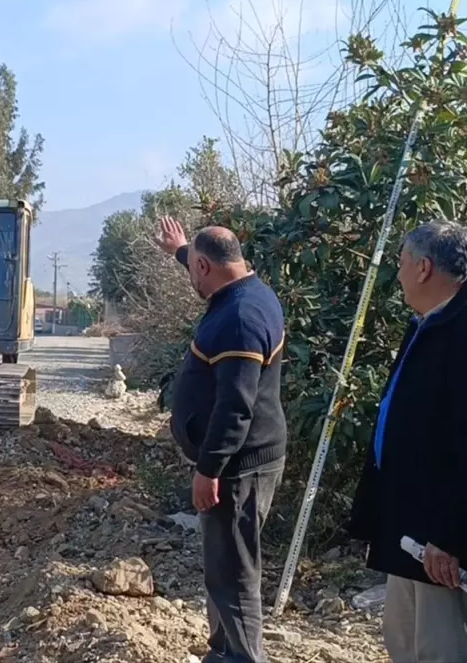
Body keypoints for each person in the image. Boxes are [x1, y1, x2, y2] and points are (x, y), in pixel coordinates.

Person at [347, 219, 467, 662]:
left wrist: (448, 535)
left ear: (423, 268)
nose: (396, 274)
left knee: (443, 648)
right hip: (412, 527)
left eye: (401, 263)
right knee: (406, 642)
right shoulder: (429, 324)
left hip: (444, 536)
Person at [155, 217, 288, 663]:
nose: (190, 273)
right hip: (242, 462)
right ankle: (224, 652)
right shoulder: (243, 290)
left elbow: (235, 406)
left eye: (192, 266)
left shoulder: (241, 319)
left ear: (206, 267)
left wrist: (208, 469)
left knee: (233, 575)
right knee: (223, 568)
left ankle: (242, 657)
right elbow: (205, 264)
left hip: (237, 468)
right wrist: (179, 249)